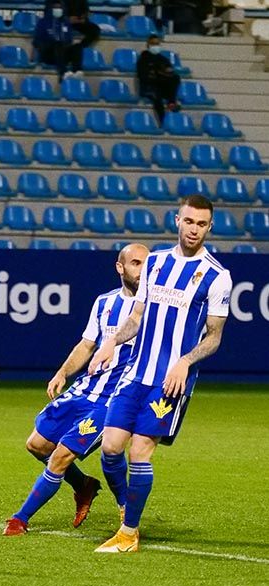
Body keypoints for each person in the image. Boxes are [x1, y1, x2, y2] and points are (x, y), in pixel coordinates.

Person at [88, 195, 231, 553]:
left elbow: (214, 337)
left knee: (139, 451)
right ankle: (128, 508)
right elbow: (136, 317)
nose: (194, 229)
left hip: (170, 381)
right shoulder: (154, 263)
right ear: (177, 220)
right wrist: (110, 342)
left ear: (210, 227)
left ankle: (128, 533)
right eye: (189, 221)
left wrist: (185, 361)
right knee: (110, 447)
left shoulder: (217, 276)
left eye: (202, 224)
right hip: (135, 373)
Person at [3, 244, 150, 536]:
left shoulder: (155, 308)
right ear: (120, 267)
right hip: (86, 388)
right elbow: (87, 344)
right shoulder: (105, 302)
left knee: (61, 455)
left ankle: (20, 519)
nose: (142, 270)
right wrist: (63, 372)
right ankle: (83, 485)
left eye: (147, 264)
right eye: (136, 263)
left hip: (115, 398)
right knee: (37, 445)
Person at [33, 0, 83, 81]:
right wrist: (46, 45)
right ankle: (63, 73)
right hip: (48, 54)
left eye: (60, 8)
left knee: (77, 46)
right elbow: (36, 41)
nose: (58, 9)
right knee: (58, 44)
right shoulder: (43, 22)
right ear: (50, 9)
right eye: (55, 8)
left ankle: (77, 71)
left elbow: (69, 40)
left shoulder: (66, 22)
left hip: (63, 52)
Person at [137, 34, 181, 125]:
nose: (155, 46)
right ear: (148, 45)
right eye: (153, 44)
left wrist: (163, 74)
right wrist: (159, 75)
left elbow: (170, 71)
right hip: (149, 87)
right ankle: (163, 122)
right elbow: (143, 77)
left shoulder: (163, 59)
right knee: (157, 95)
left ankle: (171, 102)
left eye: (157, 44)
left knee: (175, 78)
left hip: (161, 85)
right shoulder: (143, 60)